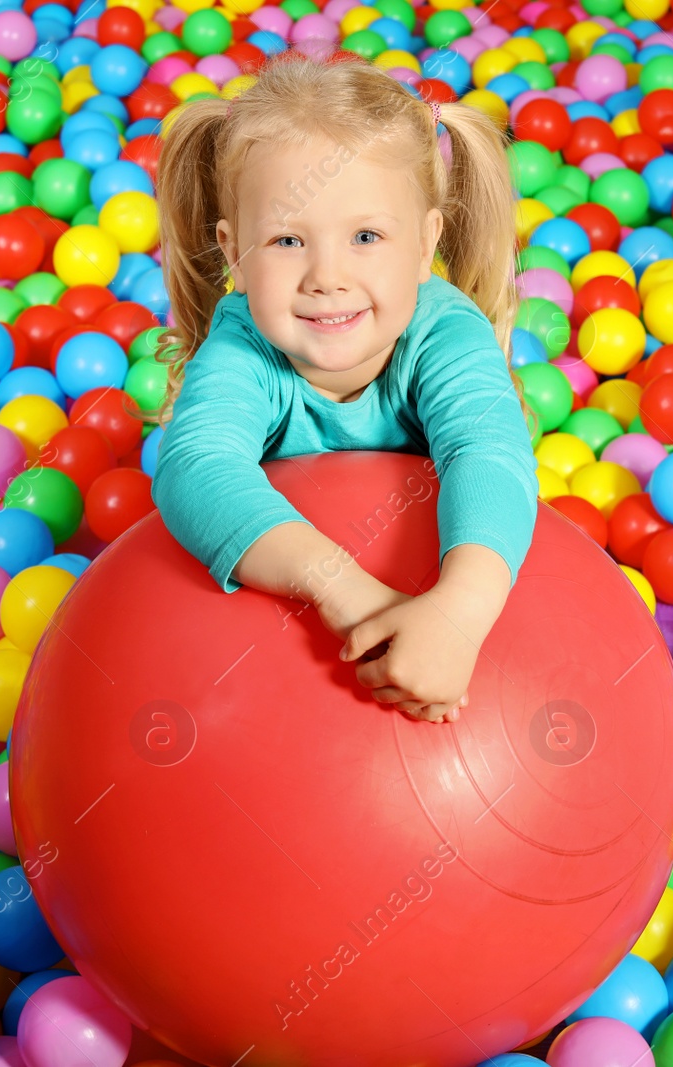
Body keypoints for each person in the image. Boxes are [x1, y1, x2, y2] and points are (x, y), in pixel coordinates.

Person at [149, 52, 540, 725]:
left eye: (365, 236)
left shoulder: (444, 332)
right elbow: (194, 468)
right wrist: (341, 587)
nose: (326, 277)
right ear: (233, 252)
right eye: (286, 240)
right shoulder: (245, 344)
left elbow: (489, 452)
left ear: (424, 246)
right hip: (264, 682)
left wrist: (460, 609)